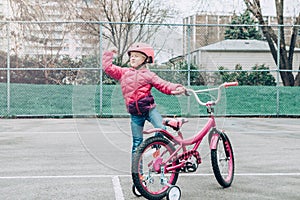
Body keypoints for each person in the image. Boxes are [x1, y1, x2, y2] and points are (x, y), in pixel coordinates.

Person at [102, 42, 186, 161]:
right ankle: (137, 174)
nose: (132, 58)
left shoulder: (149, 75)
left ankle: (156, 146)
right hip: (135, 114)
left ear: (145, 59)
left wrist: (176, 88)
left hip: (149, 110)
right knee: (137, 143)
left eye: (136, 56)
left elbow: (164, 85)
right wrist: (109, 53)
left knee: (161, 128)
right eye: (131, 56)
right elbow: (108, 68)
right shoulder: (124, 73)